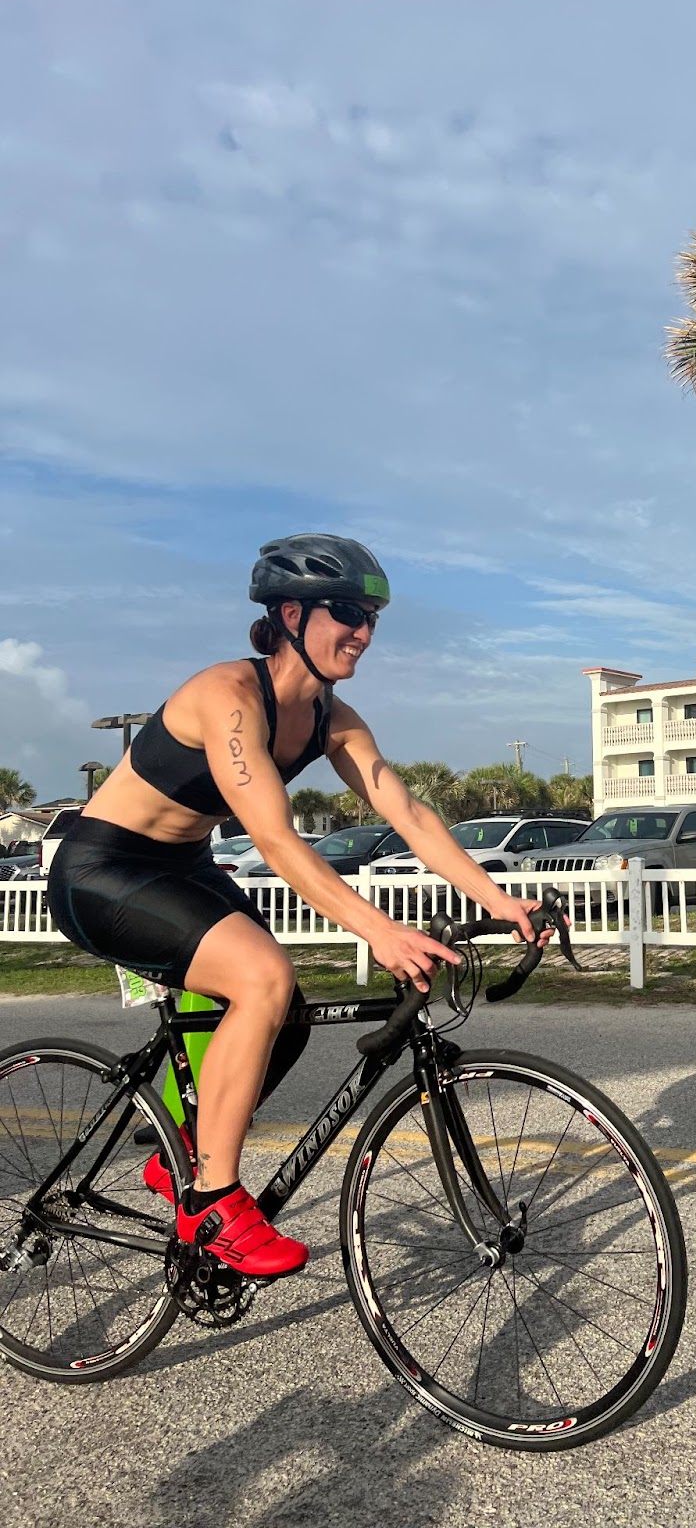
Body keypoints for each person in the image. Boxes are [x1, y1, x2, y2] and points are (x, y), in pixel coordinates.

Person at [47, 534, 553, 1280]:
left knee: (289, 1012)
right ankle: (211, 1200)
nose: (364, 632)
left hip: (180, 866)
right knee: (262, 980)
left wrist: (500, 899)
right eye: (347, 611)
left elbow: (406, 813)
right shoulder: (227, 696)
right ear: (290, 613)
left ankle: (180, 1157)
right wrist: (380, 931)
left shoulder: (331, 719)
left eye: (373, 617)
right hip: (101, 869)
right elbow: (277, 841)